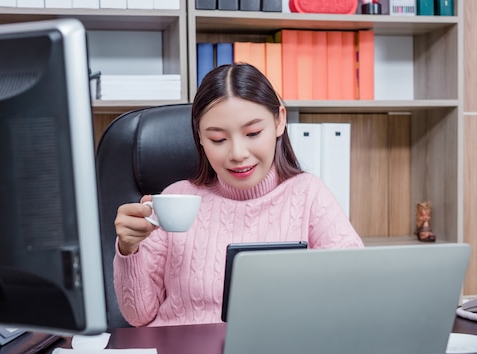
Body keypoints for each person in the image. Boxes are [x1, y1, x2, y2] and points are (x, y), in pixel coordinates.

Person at [113, 63, 363, 327]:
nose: (238, 154)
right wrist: (129, 250)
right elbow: (138, 316)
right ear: (199, 136)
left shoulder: (309, 195)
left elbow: (355, 290)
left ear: (279, 120)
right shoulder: (174, 199)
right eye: (218, 139)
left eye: (253, 133)